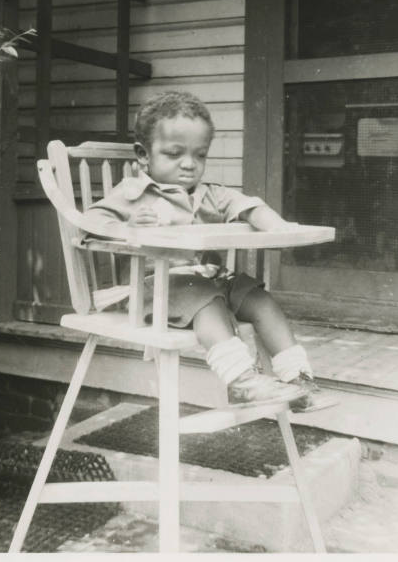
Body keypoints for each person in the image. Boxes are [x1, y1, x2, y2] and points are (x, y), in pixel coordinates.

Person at [87, 91, 332, 411]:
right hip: (154, 287)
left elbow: (250, 208)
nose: (189, 164)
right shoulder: (132, 194)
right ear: (144, 155)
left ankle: (298, 380)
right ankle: (242, 381)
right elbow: (89, 221)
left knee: (258, 297)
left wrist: (279, 227)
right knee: (208, 299)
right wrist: (129, 224)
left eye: (199, 155)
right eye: (175, 154)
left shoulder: (210, 194)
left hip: (205, 280)